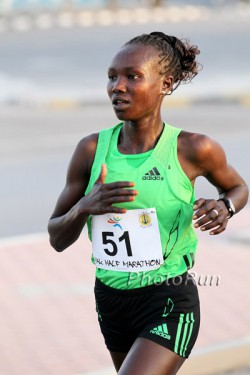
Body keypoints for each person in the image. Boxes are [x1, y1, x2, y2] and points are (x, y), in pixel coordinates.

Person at [48, 32, 249, 375]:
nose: (117, 87)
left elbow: (237, 188)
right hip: (110, 299)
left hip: (168, 299)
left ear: (165, 84)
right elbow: (56, 237)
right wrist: (84, 207)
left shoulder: (194, 149)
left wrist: (224, 207)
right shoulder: (91, 150)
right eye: (112, 77)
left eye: (132, 77)